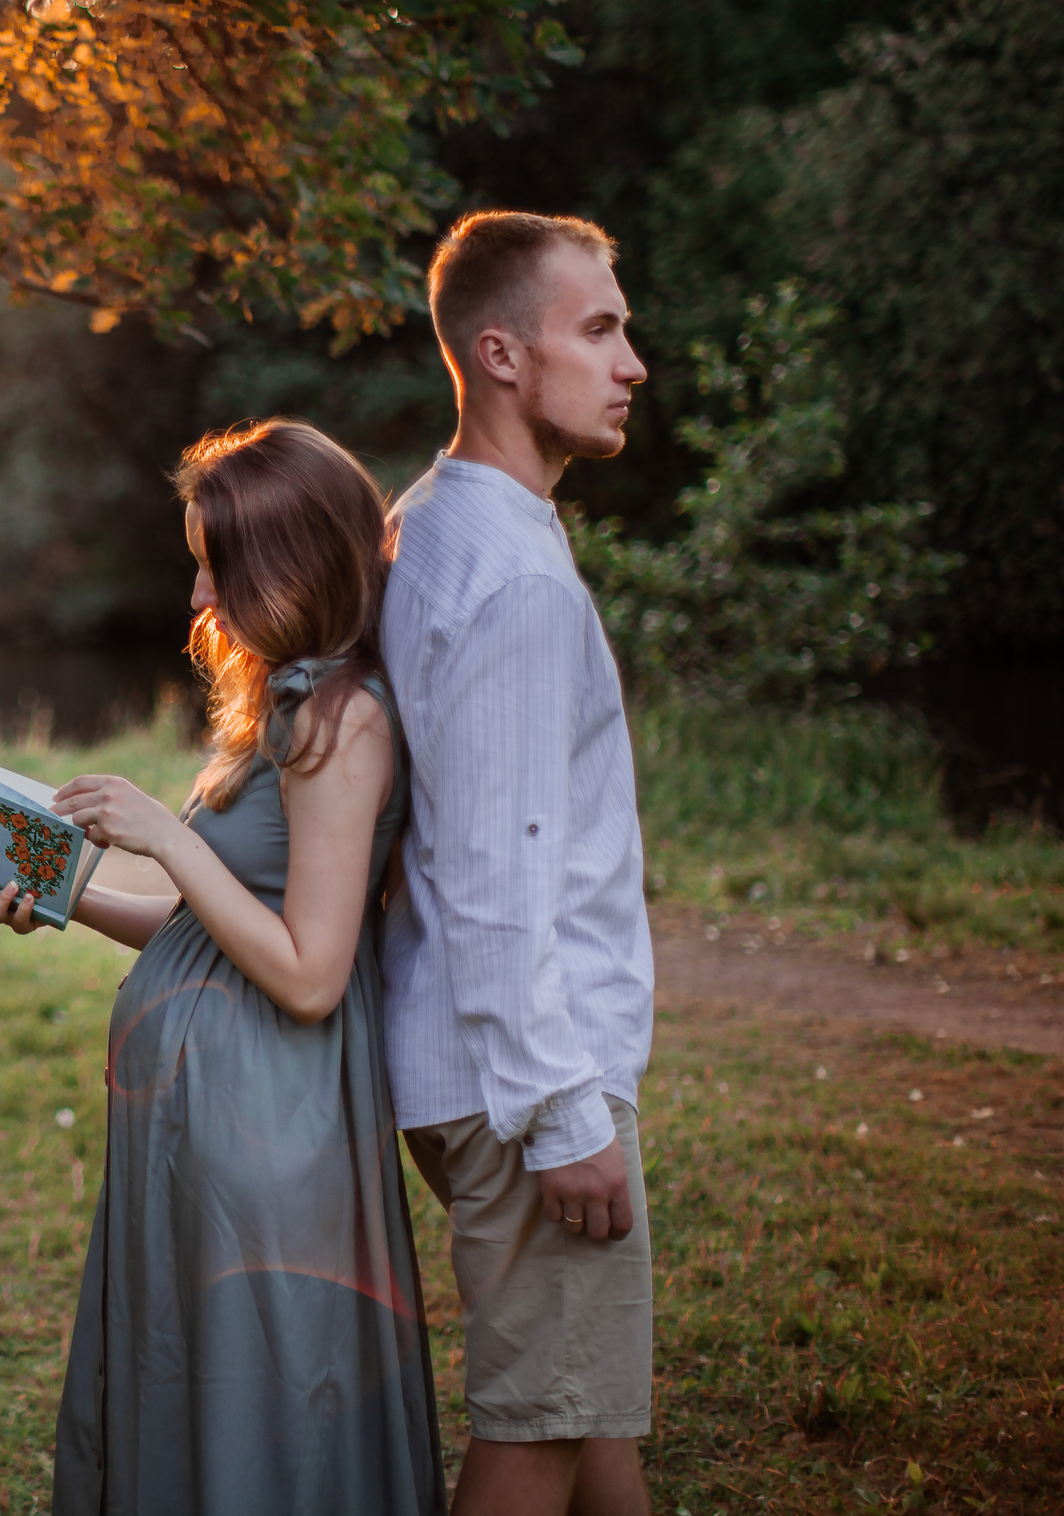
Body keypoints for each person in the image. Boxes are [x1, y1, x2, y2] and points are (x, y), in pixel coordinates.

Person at [0, 419, 446, 1514]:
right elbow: (211, 930)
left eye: (213, 566)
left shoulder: (343, 723)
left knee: (262, 1391)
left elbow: (311, 971)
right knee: (194, 1377)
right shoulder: (285, 704)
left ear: (287, 562)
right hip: (204, 1119)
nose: (195, 598)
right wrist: (63, 899)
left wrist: (164, 836)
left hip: (271, 1122)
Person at [381, 210, 657, 1516]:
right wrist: (566, 1107)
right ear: (501, 353)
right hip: (523, 1075)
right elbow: (502, 867)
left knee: (584, 1404)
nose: (633, 361)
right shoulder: (513, 575)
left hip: (453, 1059)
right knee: (539, 1425)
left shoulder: (426, 522)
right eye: (598, 329)